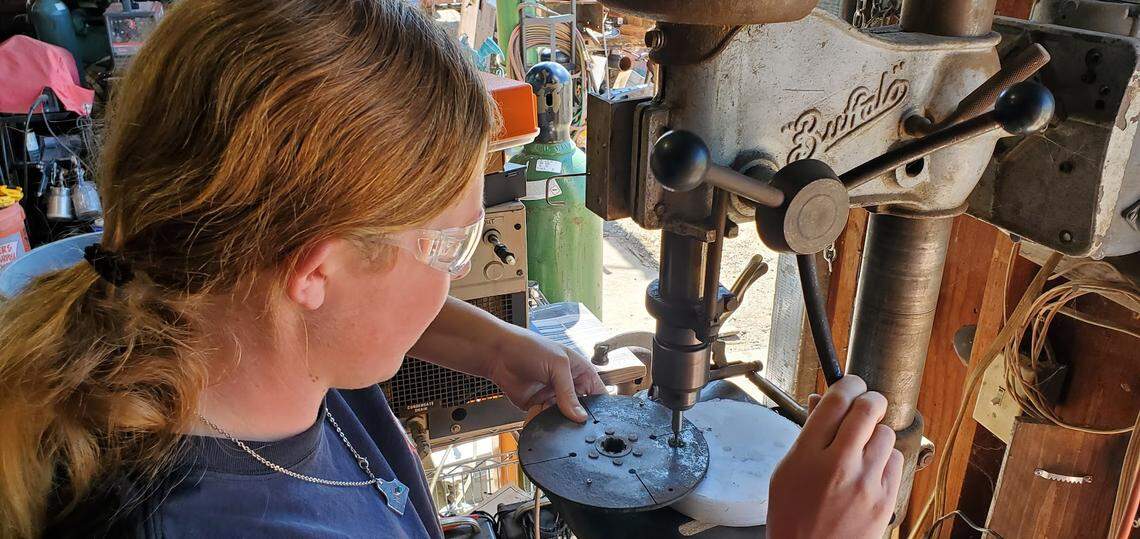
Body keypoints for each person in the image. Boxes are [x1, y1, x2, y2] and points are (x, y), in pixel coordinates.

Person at [0, 0, 900, 537]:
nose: (455, 275)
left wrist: (491, 341)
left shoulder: (180, 293)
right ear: (315, 269)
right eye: (450, 248)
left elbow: (323, 294)